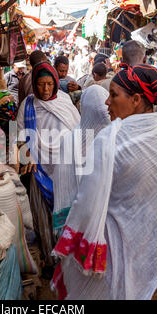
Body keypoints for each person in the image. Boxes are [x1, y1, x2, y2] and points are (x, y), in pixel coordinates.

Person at [51, 63, 157, 300]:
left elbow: (87, 204)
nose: (107, 102)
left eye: (113, 95)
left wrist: (72, 247)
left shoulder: (111, 138)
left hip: (119, 260)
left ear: (136, 99)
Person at [16, 61, 80, 278]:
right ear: (34, 84)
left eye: (49, 84)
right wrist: (27, 153)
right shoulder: (28, 105)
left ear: (55, 83)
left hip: (65, 169)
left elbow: (77, 132)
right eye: (41, 85)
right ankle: (50, 260)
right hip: (39, 168)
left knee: (65, 213)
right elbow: (18, 134)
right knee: (42, 215)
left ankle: (66, 258)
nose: (45, 90)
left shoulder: (64, 102)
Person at [52, 85, 111, 236]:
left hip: (94, 222)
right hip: (88, 221)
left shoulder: (110, 139)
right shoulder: (71, 142)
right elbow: (64, 185)